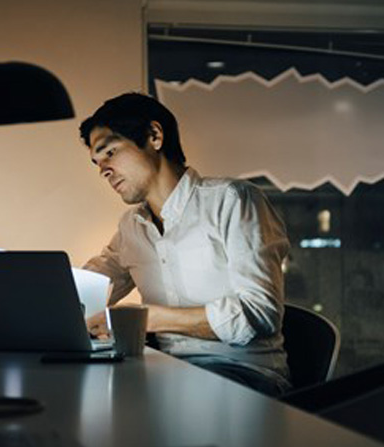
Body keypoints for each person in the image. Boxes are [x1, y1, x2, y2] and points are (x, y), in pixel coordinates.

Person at [80, 93, 292, 396]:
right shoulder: (131, 227)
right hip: (165, 370)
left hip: (244, 374)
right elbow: (90, 284)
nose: (103, 170)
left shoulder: (233, 200)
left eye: (110, 152)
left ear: (154, 136)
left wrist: (145, 318)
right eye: (97, 162)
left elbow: (259, 313)